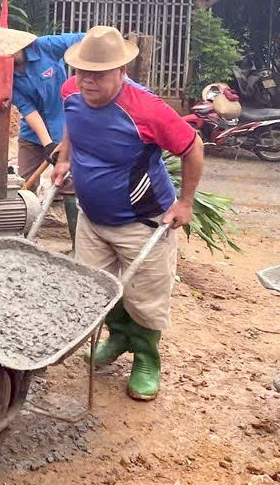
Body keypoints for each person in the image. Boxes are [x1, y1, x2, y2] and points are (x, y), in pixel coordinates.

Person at [51, 25, 203, 402]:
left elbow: (193, 147)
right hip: (92, 218)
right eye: (83, 72)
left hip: (143, 221)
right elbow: (72, 125)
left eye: (98, 74)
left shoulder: (147, 110)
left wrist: (185, 202)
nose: (87, 81)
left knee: (145, 297)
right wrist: (65, 158)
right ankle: (118, 337)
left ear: (121, 71)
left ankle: (146, 359)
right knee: (96, 287)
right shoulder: (71, 91)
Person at [0, 25, 85, 247]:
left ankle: (77, 245)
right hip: (32, 134)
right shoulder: (7, 75)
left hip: (65, 128)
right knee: (25, 183)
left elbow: (81, 40)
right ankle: (22, 241)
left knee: (68, 183)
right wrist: (48, 145)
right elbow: (28, 110)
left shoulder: (45, 47)